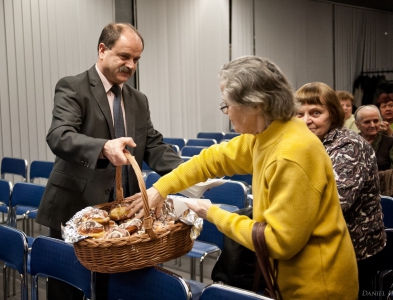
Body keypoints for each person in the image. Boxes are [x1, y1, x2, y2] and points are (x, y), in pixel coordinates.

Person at [127, 56, 358, 299]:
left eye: (227, 104)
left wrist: (211, 212)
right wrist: (160, 188)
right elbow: (210, 160)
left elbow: (279, 242)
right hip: (290, 281)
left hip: (319, 288)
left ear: (255, 104)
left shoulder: (291, 153)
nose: (226, 112)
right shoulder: (267, 135)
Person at [35, 23, 183, 300]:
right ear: (102, 50)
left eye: (136, 60)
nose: (131, 65)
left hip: (122, 215)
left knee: (115, 289)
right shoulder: (73, 87)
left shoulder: (139, 100)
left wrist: (190, 171)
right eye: (124, 57)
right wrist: (103, 147)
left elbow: (153, 145)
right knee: (68, 289)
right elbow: (59, 136)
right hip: (76, 210)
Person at [295, 82, 386, 299]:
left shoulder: (349, 146)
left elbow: (335, 203)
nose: (306, 120)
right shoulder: (308, 142)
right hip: (319, 244)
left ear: (333, 115)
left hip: (355, 249)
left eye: (315, 112)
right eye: (300, 113)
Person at [354, 105, 393, 171]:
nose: (372, 125)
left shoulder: (390, 142)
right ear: (357, 125)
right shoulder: (351, 142)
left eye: (376, 121)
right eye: (367, 122)